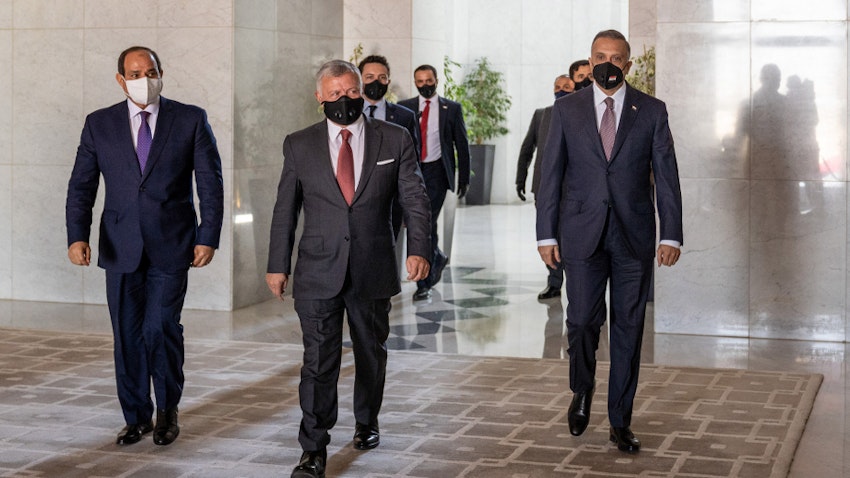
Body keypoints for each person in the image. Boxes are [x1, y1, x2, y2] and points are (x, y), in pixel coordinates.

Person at [266, 60, 431, 478]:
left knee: (370, 354)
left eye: (352, 92)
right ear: (320, 97)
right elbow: (286, 209)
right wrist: (276, 265)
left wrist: (419, 249)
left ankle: (366, 421)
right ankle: (314, 448)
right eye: (335, 94)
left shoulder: (393, 139)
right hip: (317, 271)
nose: (345, 100)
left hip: (372, 267)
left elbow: (415, 197)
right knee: (318, 361)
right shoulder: (299, 144)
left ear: (362, 91)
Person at [65, 46, 224, 447]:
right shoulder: (99, 124)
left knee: (160, 327)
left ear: (161, 73)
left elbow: (210, 183)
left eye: (150, 71)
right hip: (120, 246)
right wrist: (76, 235)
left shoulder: (189, 119)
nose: (144, 79)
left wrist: (208, 236)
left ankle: (168, 411)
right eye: (135, 73)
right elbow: (82, 184)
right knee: (127, 334)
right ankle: (136, 416)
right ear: (121, 80)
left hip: (174, 245)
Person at [536, 30, 683, 453]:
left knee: (629, 328)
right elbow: (551, 176)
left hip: (633, 236)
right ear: (590, 58)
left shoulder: (651, 111)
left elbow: (667, 176)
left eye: (616, 58)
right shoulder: (566, 110)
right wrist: (546, 233)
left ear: (628, 65)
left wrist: (670, 232)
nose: (608, 64)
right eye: (600, 56)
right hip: (581, 233)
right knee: (581, 320)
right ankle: (582, 389)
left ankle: (620, 420)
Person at [399, 65, 471, 301]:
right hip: (412, 172)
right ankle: (437, 257)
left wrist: (464, 178)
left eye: (429, 80)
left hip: (437, 172)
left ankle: (423, 283)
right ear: (415, 82)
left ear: (436, 80)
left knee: (425, 223)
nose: (425, 84)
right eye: (420, 81)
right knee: (421, 222)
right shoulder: (405, 108)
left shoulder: (451, 108)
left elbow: (462, 144)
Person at [516, 74, 572, 300]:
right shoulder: (542, 115)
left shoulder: (583, 115)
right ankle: (554, 281)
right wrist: (520, 178)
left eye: (566, 87)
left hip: (573, 189)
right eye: (557, 87)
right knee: (550, 234)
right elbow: (527, 148)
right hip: (544, 186)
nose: (561, 91)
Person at [357, 54, 421, 238]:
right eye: (369, 77)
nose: (376, 82)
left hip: (390, 202)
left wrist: (410, 209)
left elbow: (412, 164)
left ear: (388, 81)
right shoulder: (348, 114)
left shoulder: (405, 116)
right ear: (359, 79)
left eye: (381, 77)